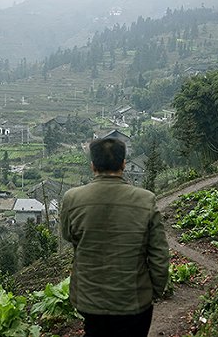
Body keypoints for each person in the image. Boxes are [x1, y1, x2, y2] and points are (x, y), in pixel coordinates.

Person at [60, 138, 169, 337]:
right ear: (123, 164)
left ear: (93, 166)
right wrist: (154, 291)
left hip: (89, 299)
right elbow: (159, 254)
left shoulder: (72, 198)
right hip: (134, 300)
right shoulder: (146, 199)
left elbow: (68, 235)